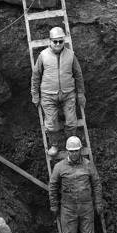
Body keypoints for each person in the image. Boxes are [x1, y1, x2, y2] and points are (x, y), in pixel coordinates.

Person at [48, 136, 103, 233]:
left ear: (80, 150)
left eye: (76, 151)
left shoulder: (88, 165)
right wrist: (54, 205)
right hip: (68, 207)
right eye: (71, 151)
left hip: (86, 206)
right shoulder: (59, 167)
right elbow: (52, 187)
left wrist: (98, 202)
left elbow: (96, 184)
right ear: (67, 151)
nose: (74, 154)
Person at [31, 27, 86, 156]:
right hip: (48, 95)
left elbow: (78, 75)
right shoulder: (43, 55)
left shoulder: (70, 55)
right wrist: (35, 94)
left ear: (64, 41)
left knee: (72, 122)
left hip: (68, 94)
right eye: (55, 41)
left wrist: (80, 93)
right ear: (50, 41)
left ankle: (70, 144)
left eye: (60, 41)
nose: (57, 44)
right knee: (51, 124)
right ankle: (54, 145)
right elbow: (36, 76)